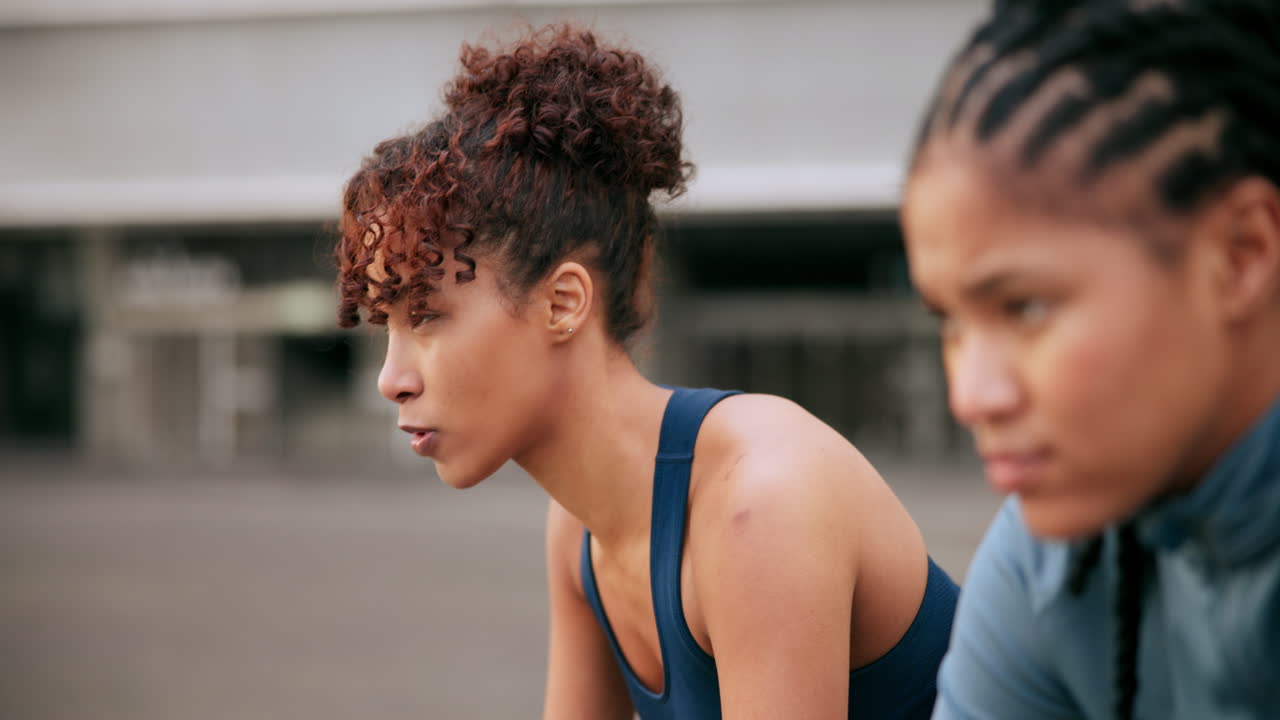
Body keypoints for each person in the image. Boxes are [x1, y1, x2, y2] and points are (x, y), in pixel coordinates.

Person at [335, 24, 957, 719]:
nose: (391, 379)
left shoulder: (760, 503)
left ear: (563, 303)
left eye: (424, 315)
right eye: (382, 322)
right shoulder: (578, 530)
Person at [901, 0, 1280, 717]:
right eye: (950, 323)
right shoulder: (1047, 556)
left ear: (1241, 255)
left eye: (1026, 308)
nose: (971, 396)